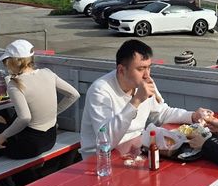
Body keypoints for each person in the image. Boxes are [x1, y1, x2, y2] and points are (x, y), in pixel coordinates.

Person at [79, 39, 211, 159]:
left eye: (149, 67)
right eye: (140, 69)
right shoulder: (101, 91)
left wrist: (192, 116)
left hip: (135, 150)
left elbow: (162, 113)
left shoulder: (145, 83)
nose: (147, 74)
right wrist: (135, 101)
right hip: (100, 160)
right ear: (121, 70)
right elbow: (106, 140)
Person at [0, 39, 80, 158]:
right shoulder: (47, 73)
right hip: (50, 138)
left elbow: (25, 118)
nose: (5, 63)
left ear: (14, 62)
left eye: (6, 61)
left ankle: (6, 174)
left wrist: (2, 136)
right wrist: (54, 113)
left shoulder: (15, 84)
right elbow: (74, 94)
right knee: (11, 120)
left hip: (30, 145)